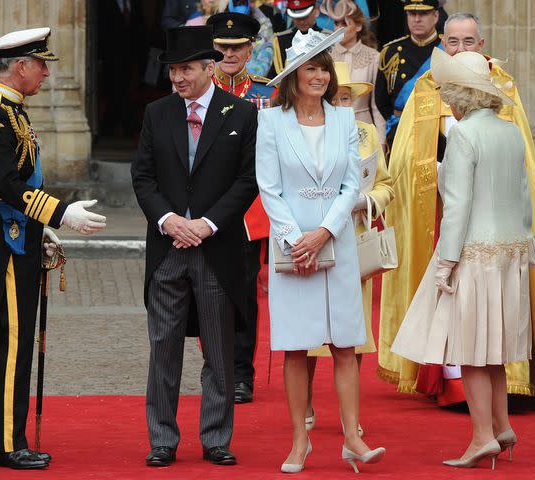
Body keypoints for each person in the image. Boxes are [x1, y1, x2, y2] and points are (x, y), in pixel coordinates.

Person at [379, 12, 535, 405]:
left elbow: (522, 177)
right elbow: (404, 159)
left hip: (468, 227)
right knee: (489, 324)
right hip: (447, 213)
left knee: (472, 326)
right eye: (453, 42)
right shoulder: (426, 88)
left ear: (481, 45)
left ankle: (484, 425)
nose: (461, 48)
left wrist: (446, 261)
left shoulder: (502, 89)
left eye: (469, 42)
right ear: (442, 44)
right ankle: (479, 411)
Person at [0, 27, 106, 470]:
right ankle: (7, 443)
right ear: (20, 67)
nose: (45, 72)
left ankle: (4, 438)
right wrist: (59, 214)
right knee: (13, 341)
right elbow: (7, 184)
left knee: (19, 340)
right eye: (41, 64)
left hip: (17, 235)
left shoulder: (12, 112)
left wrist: (40, 225)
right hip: (0, 242)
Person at [391, 48, 533, 469]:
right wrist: (529, 249)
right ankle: (502, 427)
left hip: (474, 252)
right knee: (494, 349)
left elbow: (457, 206)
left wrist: (446, 262)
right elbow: (523, 199)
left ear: (462, 95)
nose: (445, 99)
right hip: (510, 252)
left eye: (449, 91)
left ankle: (482, 438)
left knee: (472, 351)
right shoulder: (510, 132)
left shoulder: (464, 135)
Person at [258, 28, 386, 474]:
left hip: (338, 243)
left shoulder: (345, 120)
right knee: (296, 347)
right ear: (293, 76)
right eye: (310, 68)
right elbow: (269, 189)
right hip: (291, 250)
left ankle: (352, 436)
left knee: (346, 344)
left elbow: (354, 182)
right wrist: (298, 240)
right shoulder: (270, 122)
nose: (318, 76)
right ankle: (299, 441)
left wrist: (325, 233)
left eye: (323, 69)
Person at [131, 25, 258, 468]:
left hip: (216, 250)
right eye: (172, 71)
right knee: (163, 347)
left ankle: (215, 438)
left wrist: (206, 224)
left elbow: (247, 181)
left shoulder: (240, 114)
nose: (177, 78)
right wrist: (169, 221)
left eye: (186, 69)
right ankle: (162, 439)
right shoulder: (157, 113)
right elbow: (143, 177)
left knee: (219, 350)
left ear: (210, 68)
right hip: (167, 250)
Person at [306, 60, 394, 438]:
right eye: (335, 96)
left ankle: (350, 413)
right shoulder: (305, 132)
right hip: (312, 238)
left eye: (346, 97)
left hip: (354, 238)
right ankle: (305, 401)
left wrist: (366, 202)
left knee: (353, 331)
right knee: (308, 329)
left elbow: (387, 185)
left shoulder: (367, 134)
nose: (341, 104)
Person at [207, 11, 276, 404]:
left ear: (251, 49)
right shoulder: (199, 92)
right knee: (205, 290)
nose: (229, 53)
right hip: (204, 207)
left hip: (251, 213)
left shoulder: (270, 94)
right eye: (221, 47)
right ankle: (214, 366)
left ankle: (240, 374)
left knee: (243, 293)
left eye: (236, 47)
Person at [374, 0, 441, 148]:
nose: (417, 19)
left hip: (437, 132)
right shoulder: (391, 52)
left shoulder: (447, 50)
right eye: (412, 13)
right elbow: (381, 98)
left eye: (423, 13)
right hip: (400, 131)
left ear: (435, 16)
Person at [323, 0, 386, 147]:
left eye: (344, 24)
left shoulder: (373, 56)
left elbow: (377, 105)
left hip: (363, 127)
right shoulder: (326, 57)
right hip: (331, 126)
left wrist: (381, 140)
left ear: (358, 26)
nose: (338, 28)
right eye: (336, 23)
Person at [269, 0, 328, 77]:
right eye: (297, 17)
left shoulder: (328, 38)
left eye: (305, 16)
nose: (301, 22)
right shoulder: (281, 40)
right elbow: (274, 76)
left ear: (316, 10)